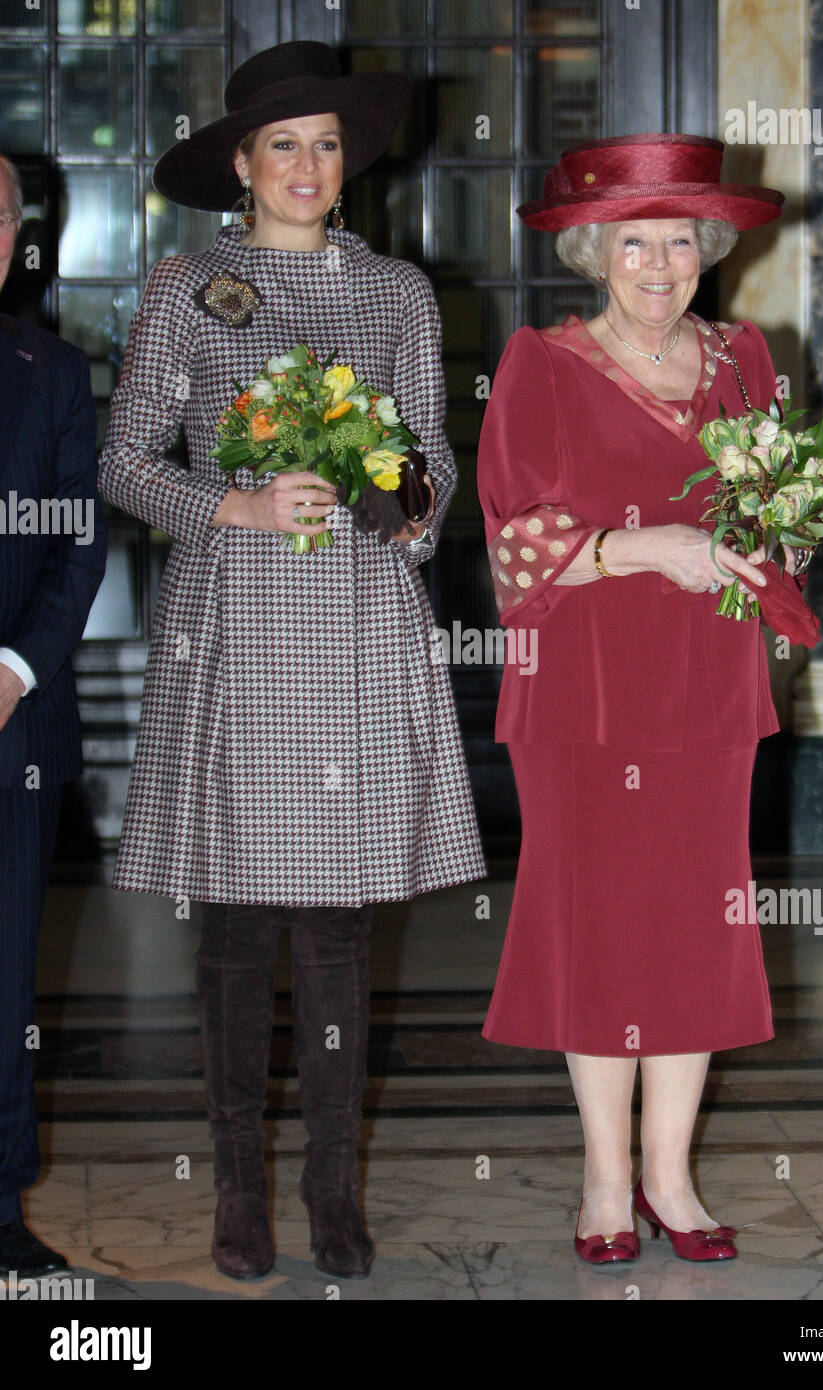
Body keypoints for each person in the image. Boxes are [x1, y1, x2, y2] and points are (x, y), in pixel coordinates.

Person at [99, 41, 485, 1282]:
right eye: (282, 146)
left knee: (333, 930)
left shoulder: (398, 296)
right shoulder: (188, 287)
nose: (306, 166)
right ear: (240, 165)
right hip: (238, 623)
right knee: (236, 931)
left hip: (357, 626)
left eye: (325, 143)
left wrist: (400, 502)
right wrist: (239, 506)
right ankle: (237, 1194)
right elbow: (124, 462)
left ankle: (330, 1190)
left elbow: (431, 458)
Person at [477, 134, 787, 1264]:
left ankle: (672, 1176)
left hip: (706, 685)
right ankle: (605, 1183)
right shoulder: (538, 365)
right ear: (593, 251)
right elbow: (513, 546)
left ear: (706, 247)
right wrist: (643, 547)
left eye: (678, 241)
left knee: (693, 931)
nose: (658, 264)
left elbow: (770, 512)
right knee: (600, 930)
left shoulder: (744, 358)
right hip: (583, 693)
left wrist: (770, 534)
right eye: (633, 242)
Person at [0, 153, 106, 1276]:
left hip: (10, 731)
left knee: (4, 987)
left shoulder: (53, 373)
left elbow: (80, 543)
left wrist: (15, 667)